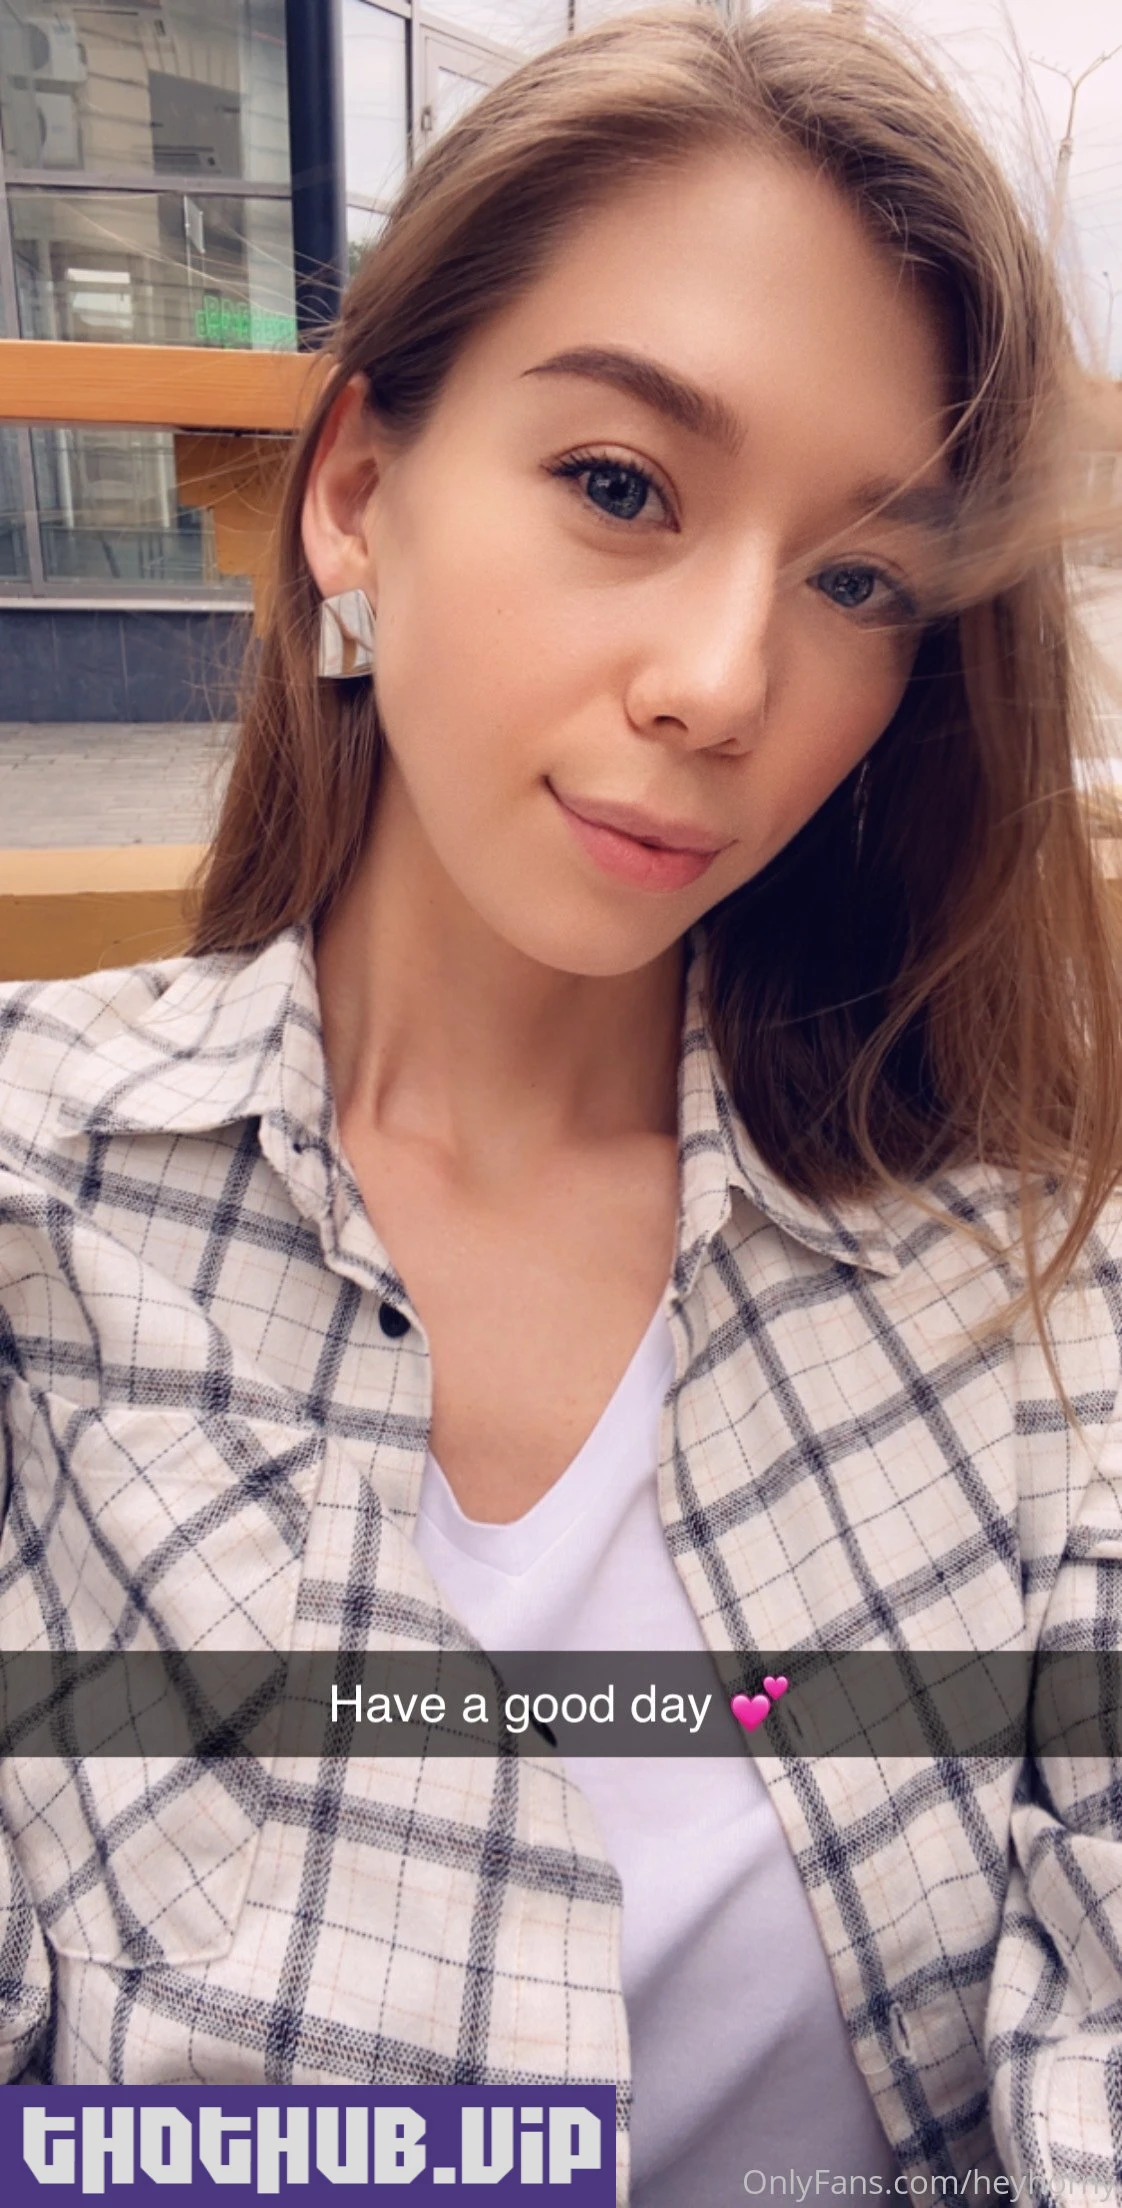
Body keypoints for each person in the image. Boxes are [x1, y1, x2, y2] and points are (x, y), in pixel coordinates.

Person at [1, 4, 1121, 2201]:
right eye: (620, 486)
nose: (720, 682)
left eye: (858, 580)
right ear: (355, 494)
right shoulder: (41, 1215)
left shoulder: (1026, 1309)